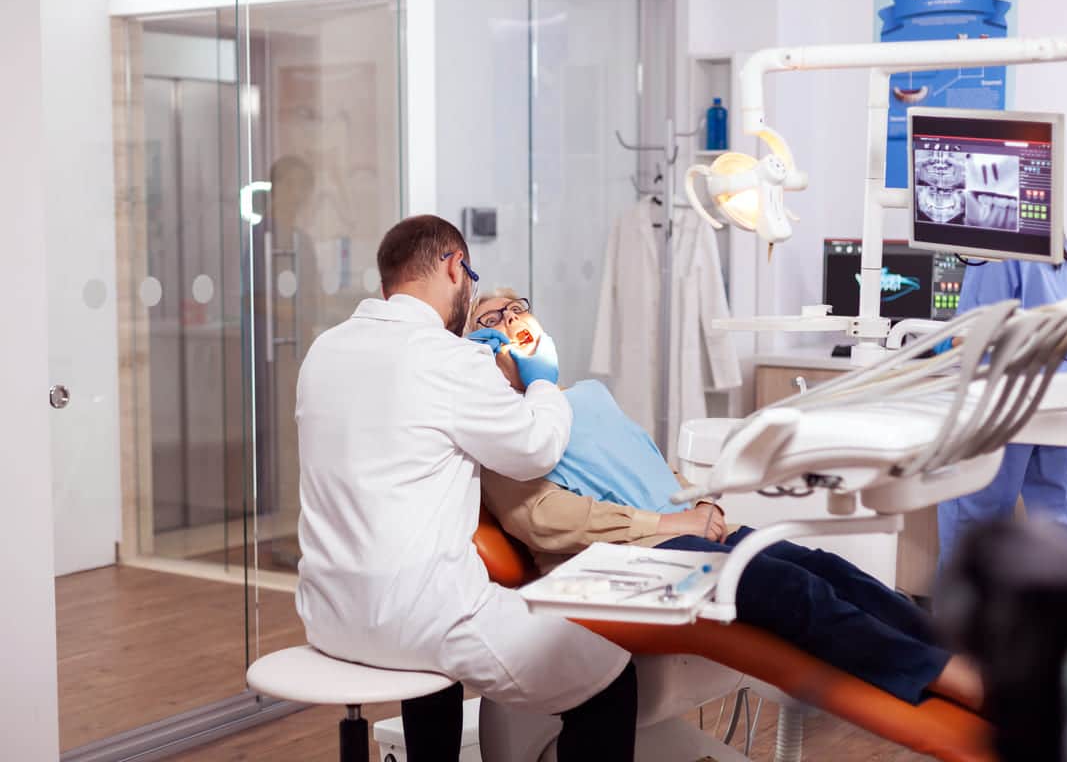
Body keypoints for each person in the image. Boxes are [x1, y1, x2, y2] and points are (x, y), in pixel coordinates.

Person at [467, 288, 984, 710]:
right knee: (787, 586)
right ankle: (951, 681)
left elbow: (646, 466)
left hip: (684, 531)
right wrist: (669, 525)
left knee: (828, 569)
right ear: (480, 346)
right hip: (627, 561)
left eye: (519, 307)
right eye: (493, 317)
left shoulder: (586, 396)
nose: (513, 319)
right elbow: (543, 520)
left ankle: (968, 658)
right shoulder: (506, 431)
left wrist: (702, 505)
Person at [294, 217, 637, 761]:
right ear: (456, 265)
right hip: (422, 618)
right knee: (608, 677)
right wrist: (542, 380)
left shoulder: (323, 353)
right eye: (471, 279)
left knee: (430, 665)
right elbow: (536, 449)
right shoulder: (452, 361)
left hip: (328, 614)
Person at [936, 250, 1067, 575]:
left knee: (973, 518)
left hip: (1001, 397)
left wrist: (937, 344)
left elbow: (975, 336)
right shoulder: (1055, 241)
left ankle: (965, 622)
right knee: (1055, 513)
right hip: (1052, 392)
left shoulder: (995, 248)